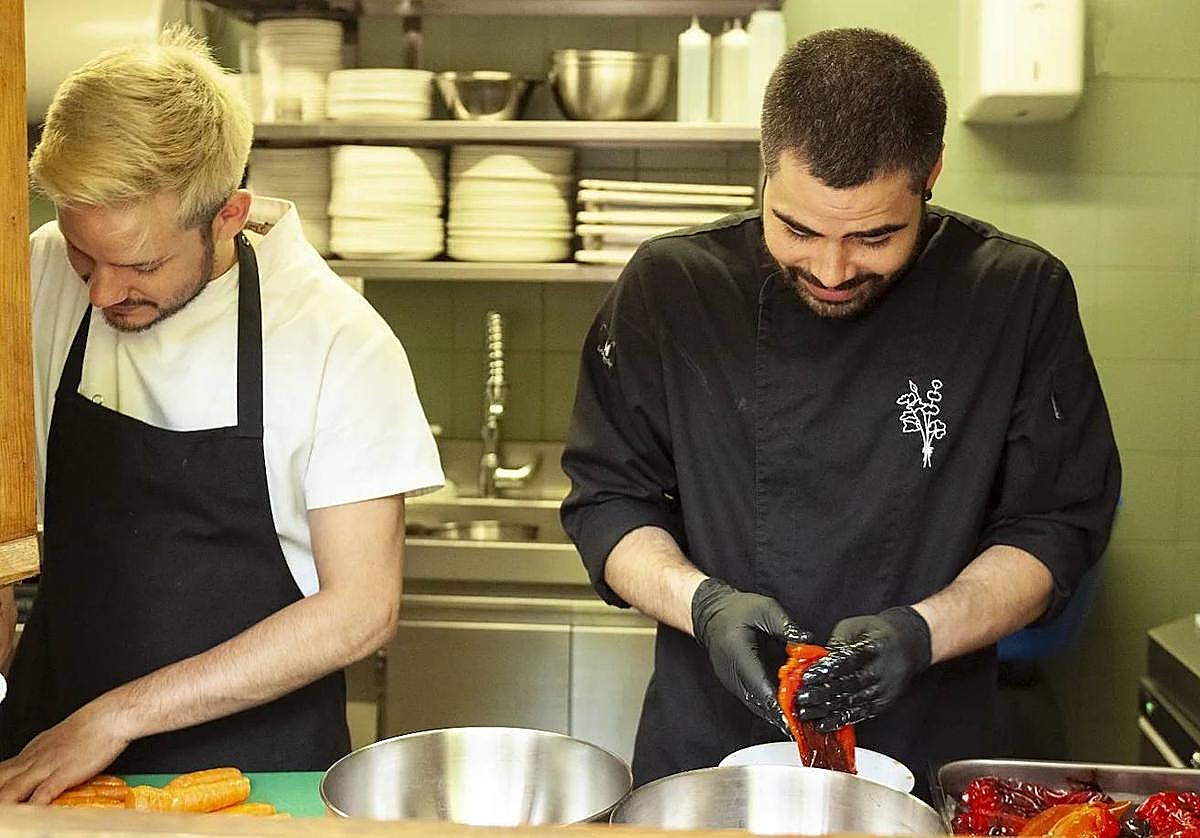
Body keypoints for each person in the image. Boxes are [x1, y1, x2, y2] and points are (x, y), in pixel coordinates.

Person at [560, 28, 1120, 799]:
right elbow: (606, 500)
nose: (830, 269)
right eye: (797, 228)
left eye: (875, 235)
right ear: (765, 171)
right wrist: (704, 604)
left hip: (925, 755)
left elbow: (1054, 527)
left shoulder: (1015, 297)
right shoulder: (673, 289)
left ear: (931, 175)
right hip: (705, 761)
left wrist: (922, 634)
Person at [0, 27, 443, 802]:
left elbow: (361, 610)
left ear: (229, 215)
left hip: (255, 771)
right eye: (84, 257)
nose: (100, 294)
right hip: (51, 747)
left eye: (140, 266)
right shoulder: (38, 268)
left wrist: (118, 717)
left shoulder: (337, 341)